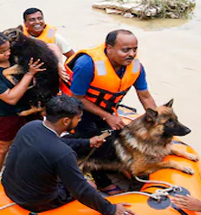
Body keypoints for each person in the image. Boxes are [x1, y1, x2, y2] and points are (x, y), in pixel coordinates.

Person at [2, 95, 136, 215]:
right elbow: (81, 190)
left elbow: (56, 143)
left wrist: (87, 142)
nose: (80, 121)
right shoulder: (63, 154)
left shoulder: (30, 127)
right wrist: (111, 209)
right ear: (66, 121)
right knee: (91, 185)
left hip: (10, 187)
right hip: (36, 202)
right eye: (78, 118)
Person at [61, 29, 156, 194]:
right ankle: (102, 181)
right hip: (79, 111)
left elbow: (145, 96)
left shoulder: (136, 67)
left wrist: (156, 121)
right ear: (109, 48)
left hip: (107, 109)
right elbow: (77, 98)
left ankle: (123, 171)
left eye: (134, 49)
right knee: (92, 144)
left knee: (114, 140)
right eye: (125, 50)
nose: (131, 54)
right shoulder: (87, 64)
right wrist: (108, 117)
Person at [0, 31, 45, 180]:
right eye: (2, 52)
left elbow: (46, 48)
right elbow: (11, 98)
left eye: (8, 49)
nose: (8, 54)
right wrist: (29, 74)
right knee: (2, 147)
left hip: (29, 107)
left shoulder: (13, 54)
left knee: (36, 140)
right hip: (6, 112)